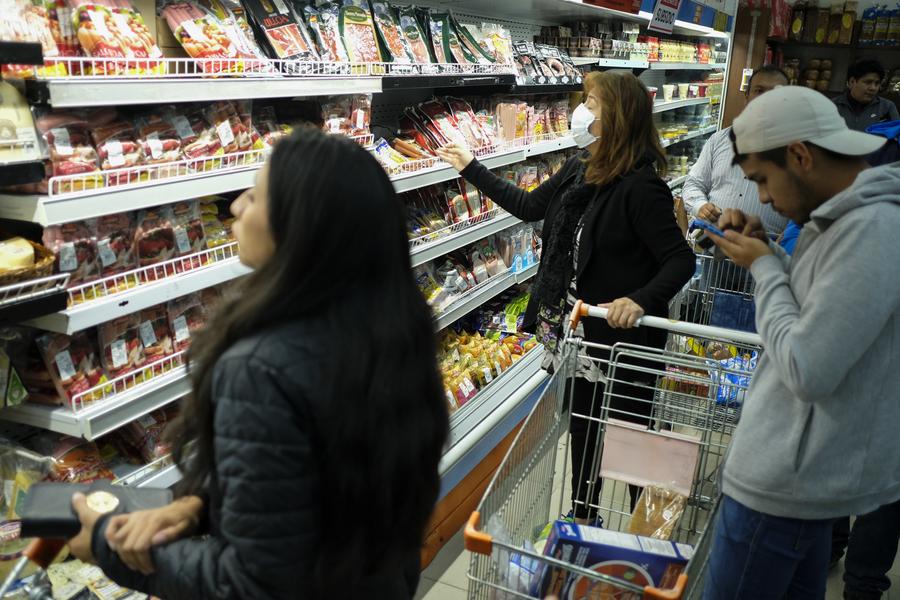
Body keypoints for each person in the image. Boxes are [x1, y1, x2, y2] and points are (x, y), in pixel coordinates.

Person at [67, 128, 450, 599]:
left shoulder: (260, 369)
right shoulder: (387, 336)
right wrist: (197, 506)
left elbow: (253, 584)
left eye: (254, 195)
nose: (235, 208)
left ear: (301, 227)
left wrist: (107, 548)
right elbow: (321, 487)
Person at [436, 71, 695, 523]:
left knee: (632, 436)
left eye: (592, 105)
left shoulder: (641, 186)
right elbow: (531, 207)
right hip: (579, 333)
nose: (582, 111)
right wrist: (469, 166)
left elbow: (679, 260)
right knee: (584, 428)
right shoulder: (582, 166)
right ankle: (584, 515)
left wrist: (639, 299)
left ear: (618, 118)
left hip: (623, 342)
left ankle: (647, 533)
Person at [702, 85, 900, 599]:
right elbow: (824, 312)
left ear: (800, 155)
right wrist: (769, 251)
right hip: (797, 477)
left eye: (762, 180)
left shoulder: (872, 229)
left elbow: (808, 366)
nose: (762, 198)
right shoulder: (843, 220)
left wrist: (765, 268)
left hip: (783, 484)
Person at [682, 65, 789, 236]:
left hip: (767, 253)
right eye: (759, 91)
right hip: (714, 251)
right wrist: (700, 205)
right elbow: (694, 184)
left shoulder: (798, 152)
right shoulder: (719, 140)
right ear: (747, 96)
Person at [834, 59, 899, 132]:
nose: (873, 88)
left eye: (877, 83)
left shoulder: (887, 107)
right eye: (868, 82)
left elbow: (896, 137)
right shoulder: (832, 106)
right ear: (852, 82)